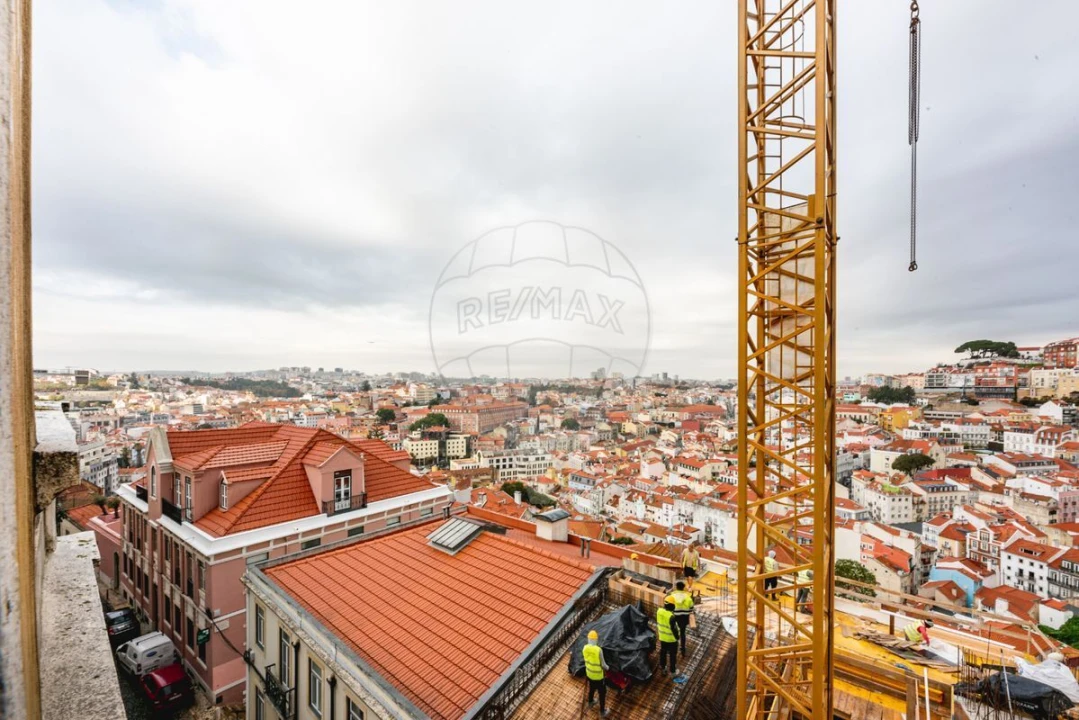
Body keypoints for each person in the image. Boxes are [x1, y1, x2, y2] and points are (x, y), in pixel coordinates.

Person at [582, 630, 610, 717]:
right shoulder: (598, 650)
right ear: (596, 640)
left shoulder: (585, 648)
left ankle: (590, 702)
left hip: (589, 674)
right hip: (598, 676)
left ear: (588, 639)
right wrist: (609, 668)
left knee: (592, 688)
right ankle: (602, 712)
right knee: (602, 693)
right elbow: (603, 665)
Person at [667, 581, 695, 657]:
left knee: (673, 632)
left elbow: (667, 606)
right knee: (682, 633)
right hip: (684, 618)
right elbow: (691, 609)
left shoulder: (672, 596)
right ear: (683, 588)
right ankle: (683, 649)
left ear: (676, 587)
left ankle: (671, 649)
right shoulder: (688, 598)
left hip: (674, 617)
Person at [657, 600, 681, 677]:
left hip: (662, 637)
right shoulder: (671, 617)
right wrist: (677, 638)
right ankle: (673, 671)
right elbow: (674, 630)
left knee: (663, 652)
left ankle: (663, 668)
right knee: (672, 655)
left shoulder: (659, 611)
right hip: (671, 640)